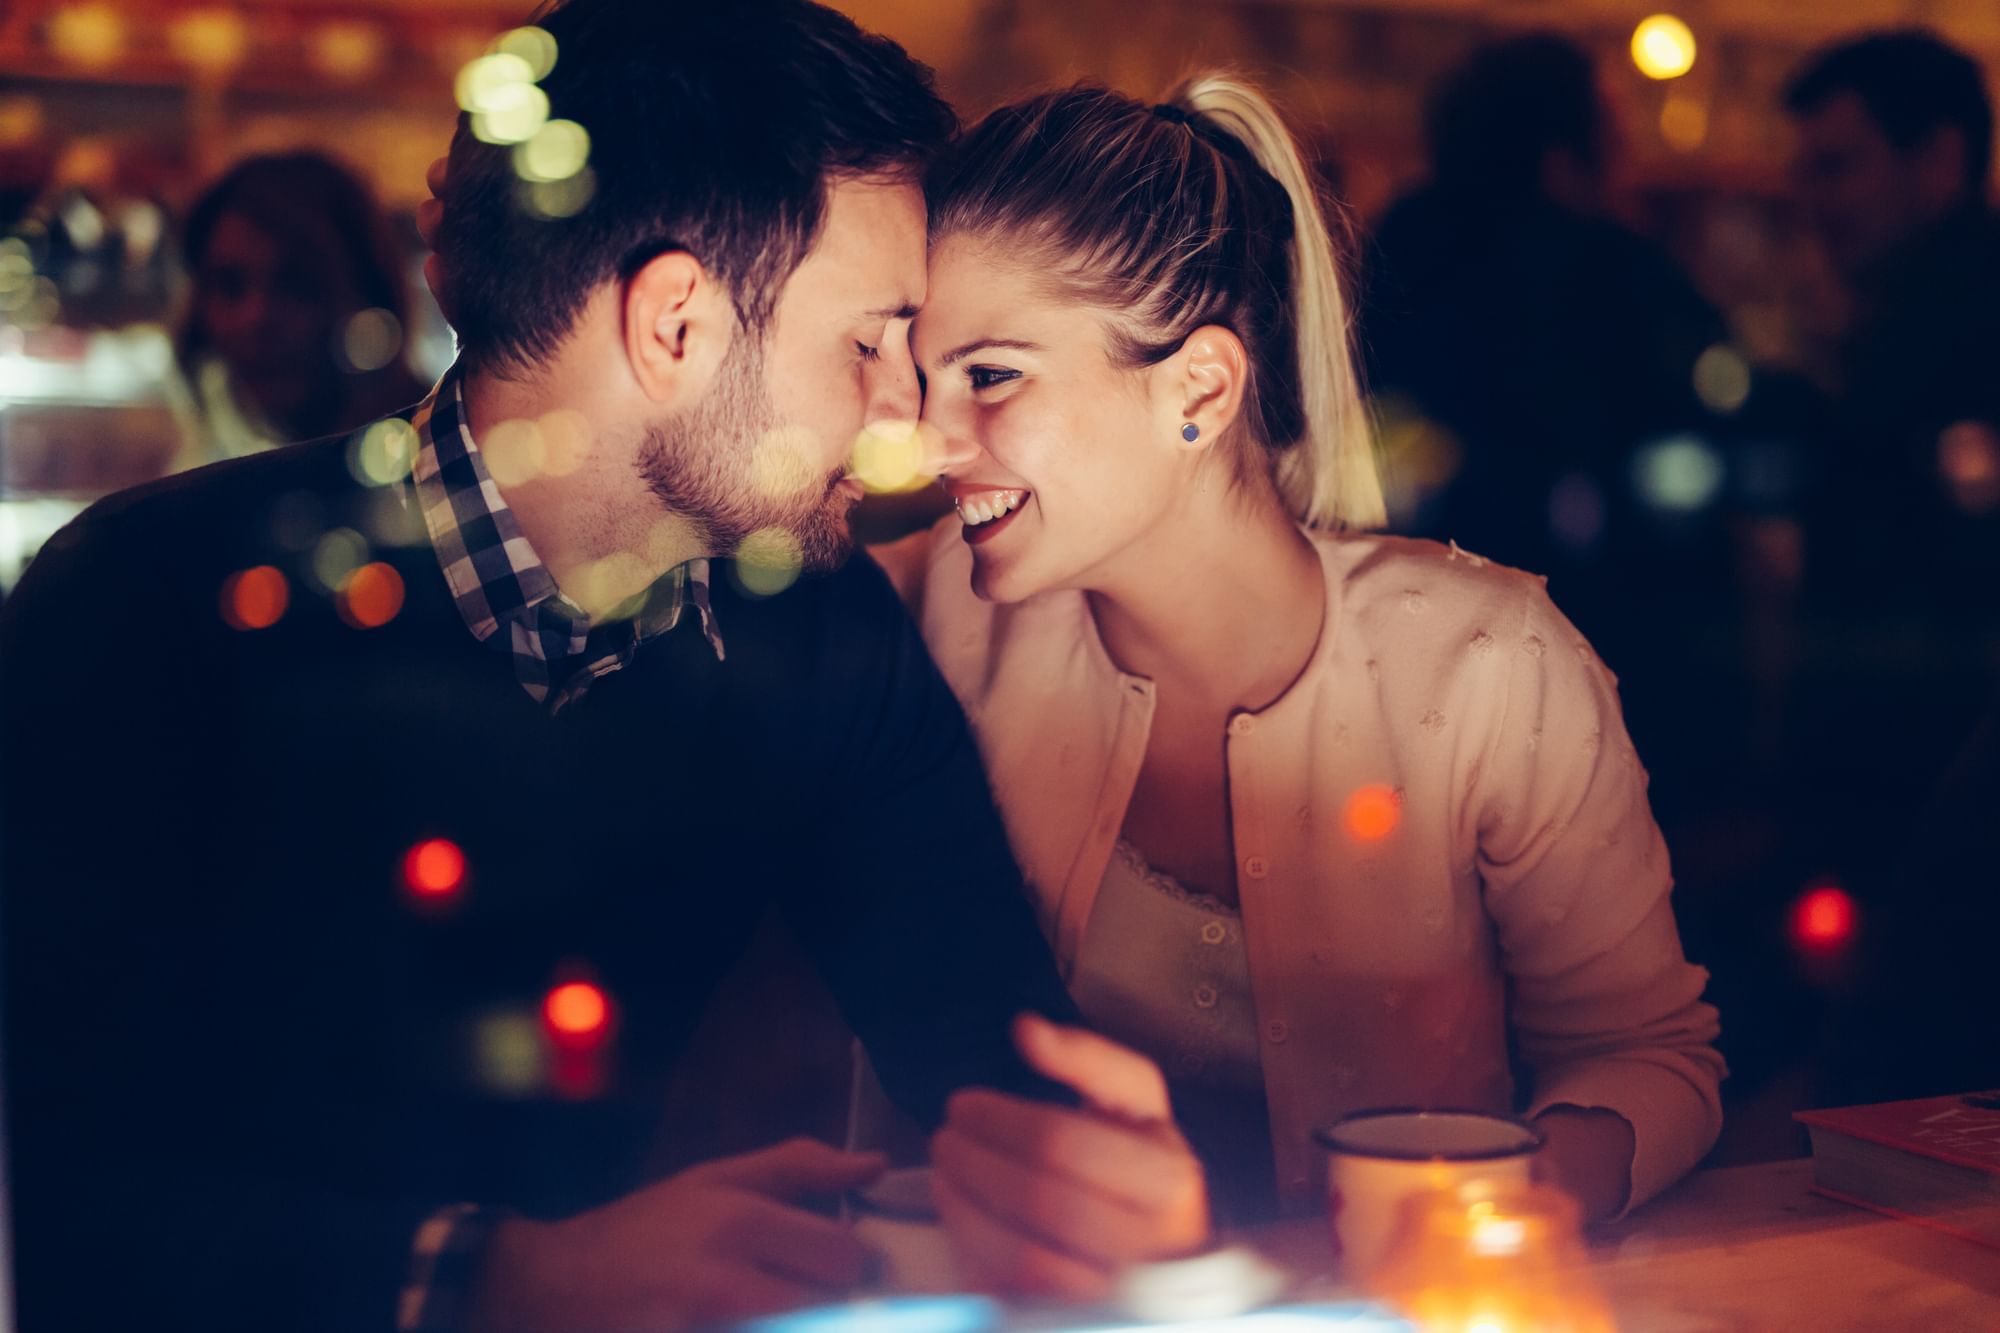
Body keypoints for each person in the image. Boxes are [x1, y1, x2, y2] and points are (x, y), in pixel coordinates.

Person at [0, 3, 1091, 1329]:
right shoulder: (141, 607)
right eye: (871, 341)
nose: (906, 413)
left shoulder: (815, 628)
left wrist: (1086, 1171)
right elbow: (64, 1212)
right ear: (675, 327)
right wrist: (505, 1278)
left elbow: (980, 1030)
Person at [871, 77, 1726, 1297]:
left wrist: (1496, 1205)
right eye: (917, 375)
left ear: (1200, 392)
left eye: (990, 376)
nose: (930, 437)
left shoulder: (1492, 668)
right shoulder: (916, 620)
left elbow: (1646, 1052)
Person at [174, 151, 429, 464]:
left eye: (295, 285)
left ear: (369, 293)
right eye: (230, 286)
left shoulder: (435, 456)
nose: (256, 318)